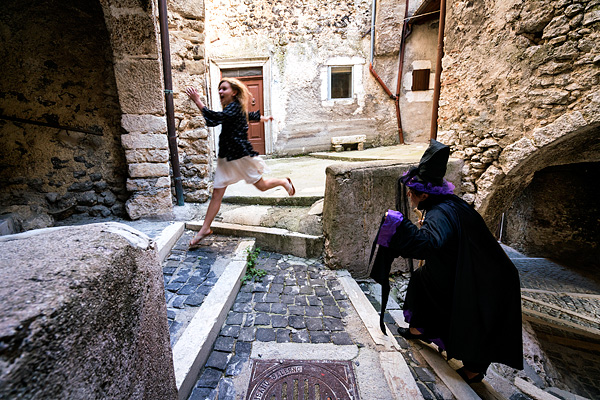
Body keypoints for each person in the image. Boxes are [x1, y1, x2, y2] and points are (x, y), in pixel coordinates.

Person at [370, 139, 523, 383]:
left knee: (472, 316)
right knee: (423, 278)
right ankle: (419, 328)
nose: (408, 194)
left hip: (488, 276)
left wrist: (399, 227)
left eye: (412, 191)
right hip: (471, 266)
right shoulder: (446, 204)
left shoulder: (440, 212)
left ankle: (474, 369)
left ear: (424, 194)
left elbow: (429, 244)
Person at [185, 78, 295, 248]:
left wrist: (197, 101)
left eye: (224, 89)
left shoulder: (234, 108)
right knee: (216, 195)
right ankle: (204, 229)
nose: (220, 92)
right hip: (226, 158)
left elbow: (214, 118)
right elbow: (247, 116)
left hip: (240, 156)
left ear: (234, 92)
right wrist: (264, 118)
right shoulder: (234, 109)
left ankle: (283, 181)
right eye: (219, 89)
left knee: (262, 186)